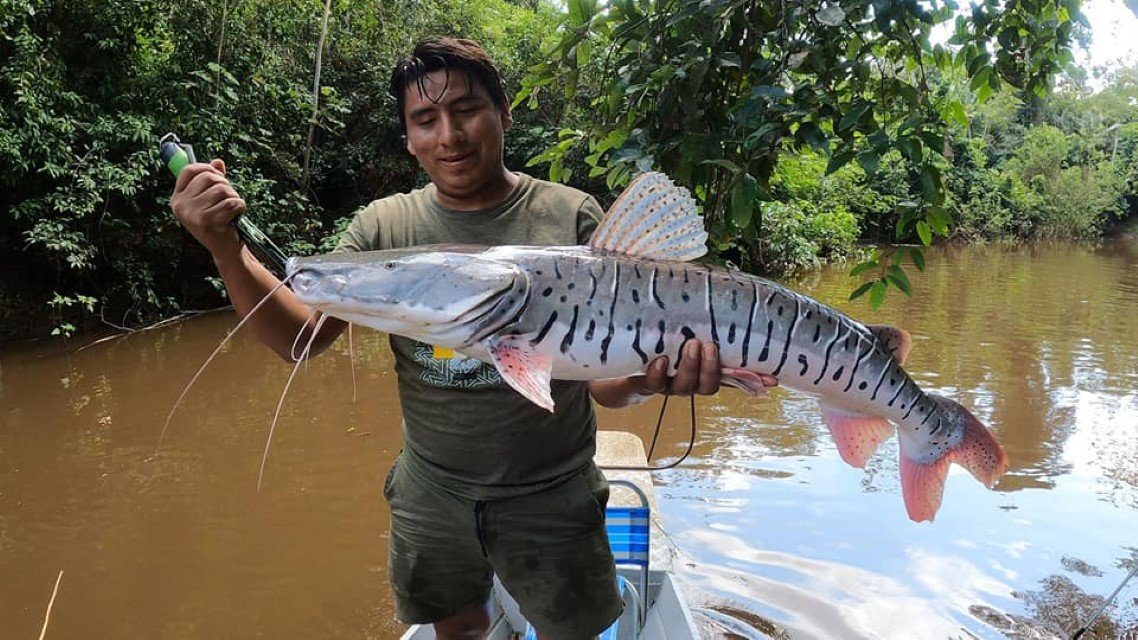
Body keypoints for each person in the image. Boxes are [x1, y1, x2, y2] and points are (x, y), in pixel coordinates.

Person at [171, 36, 774, 640]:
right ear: (407, 136)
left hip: (554, 494)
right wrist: (225, 246)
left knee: (575, 631)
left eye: (465, 110)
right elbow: (299, 339)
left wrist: (650, 379)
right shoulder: (385, 226)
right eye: (425, 120)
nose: (449, 136)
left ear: (503, 113)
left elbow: (606, 387)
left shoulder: (570, 215)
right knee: (456, 627)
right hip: (433, 490)